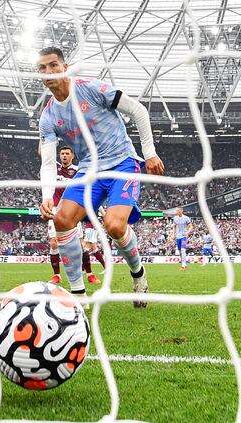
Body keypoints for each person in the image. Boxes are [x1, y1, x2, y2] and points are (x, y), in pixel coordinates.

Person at [36, 47, 165, 308]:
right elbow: (48, 162)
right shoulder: (48, 116)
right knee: (62, 219)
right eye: (42, 68)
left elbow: (139, 110)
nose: (48, 72)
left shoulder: (91, 88)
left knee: (115, 225)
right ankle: (78, 299)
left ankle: (138, 275)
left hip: (122, 164)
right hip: (89, 172)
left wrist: (149, 153)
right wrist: (47, 195)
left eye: (53, 65)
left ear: (65, 67)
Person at [44, 146, 99, 285]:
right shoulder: (54, 168)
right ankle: (56, 275)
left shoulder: (77, 171)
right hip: (55, 209)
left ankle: (90, 274)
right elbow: (43, 152)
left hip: (71, 209)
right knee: (53, 243)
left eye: (67, 153)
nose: (64, 156)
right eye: (62, 153)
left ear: (72, 156)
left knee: (81, 244)